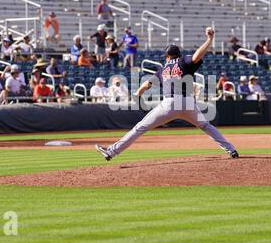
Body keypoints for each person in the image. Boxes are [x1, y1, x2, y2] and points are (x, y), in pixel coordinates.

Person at [95, 27, 239, 161]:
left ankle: (111, 152)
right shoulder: (183, 61)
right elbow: (196, 56)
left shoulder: (163, 69)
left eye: (166, 56)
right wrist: (209, 39)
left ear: (168, 56)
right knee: (206, 126)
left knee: (140, 127)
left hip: (170, 104)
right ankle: (231, 150)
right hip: (189, 103)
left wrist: (138, 94)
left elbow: (144, 86)